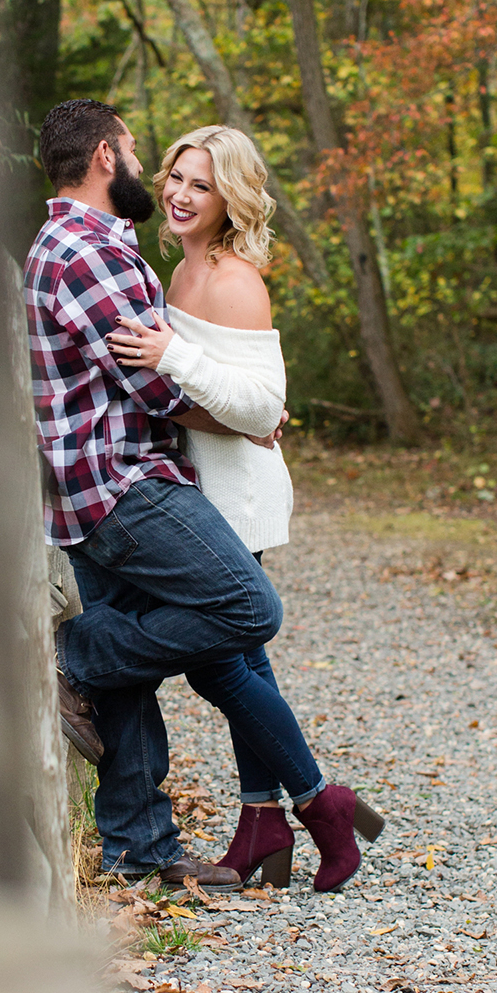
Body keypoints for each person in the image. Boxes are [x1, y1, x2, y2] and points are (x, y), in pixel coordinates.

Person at [107, 125, 384, 893]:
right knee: (240, 665)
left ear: (231, 198)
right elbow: (210, 407)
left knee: (220, 666)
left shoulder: (234, 279)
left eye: (201, 184)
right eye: (176, 178)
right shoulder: (176, 271)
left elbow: (265, 404)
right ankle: (264, 822)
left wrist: (172, 356)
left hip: (237, 496)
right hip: (198, 489)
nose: (180, 194)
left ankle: (321, 805)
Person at [24, 98, 289, 891]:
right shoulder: (91, 253)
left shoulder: (86, 243)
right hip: (123, 483)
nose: (154, 175)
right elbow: (152, 389)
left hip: (92, 485)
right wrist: (249, 418)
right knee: (250, 609)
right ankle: (72, 655)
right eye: (143, 155)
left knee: (128, 674)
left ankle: (140, 851)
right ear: (108, 156)